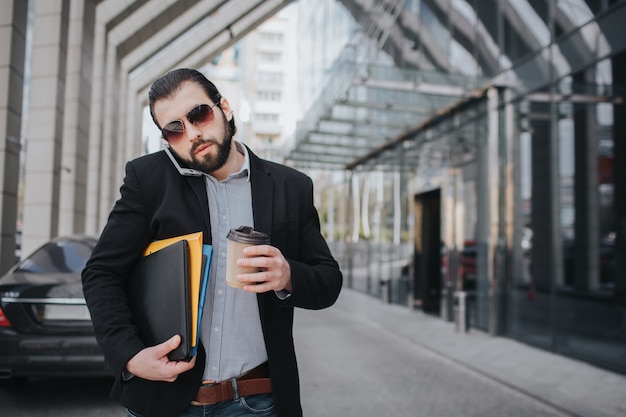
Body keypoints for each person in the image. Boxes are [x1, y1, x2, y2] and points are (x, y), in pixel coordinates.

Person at [82, 68, 343, 417]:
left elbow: (328, 279)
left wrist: (287, 276)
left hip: (258, 402)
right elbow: (101, 273)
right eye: (174, 129)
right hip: (166, 401)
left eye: (198, 114)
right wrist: (128, 355)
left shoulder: (290, 187)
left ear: (224, 108)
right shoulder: (148, 179)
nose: (192, 133)